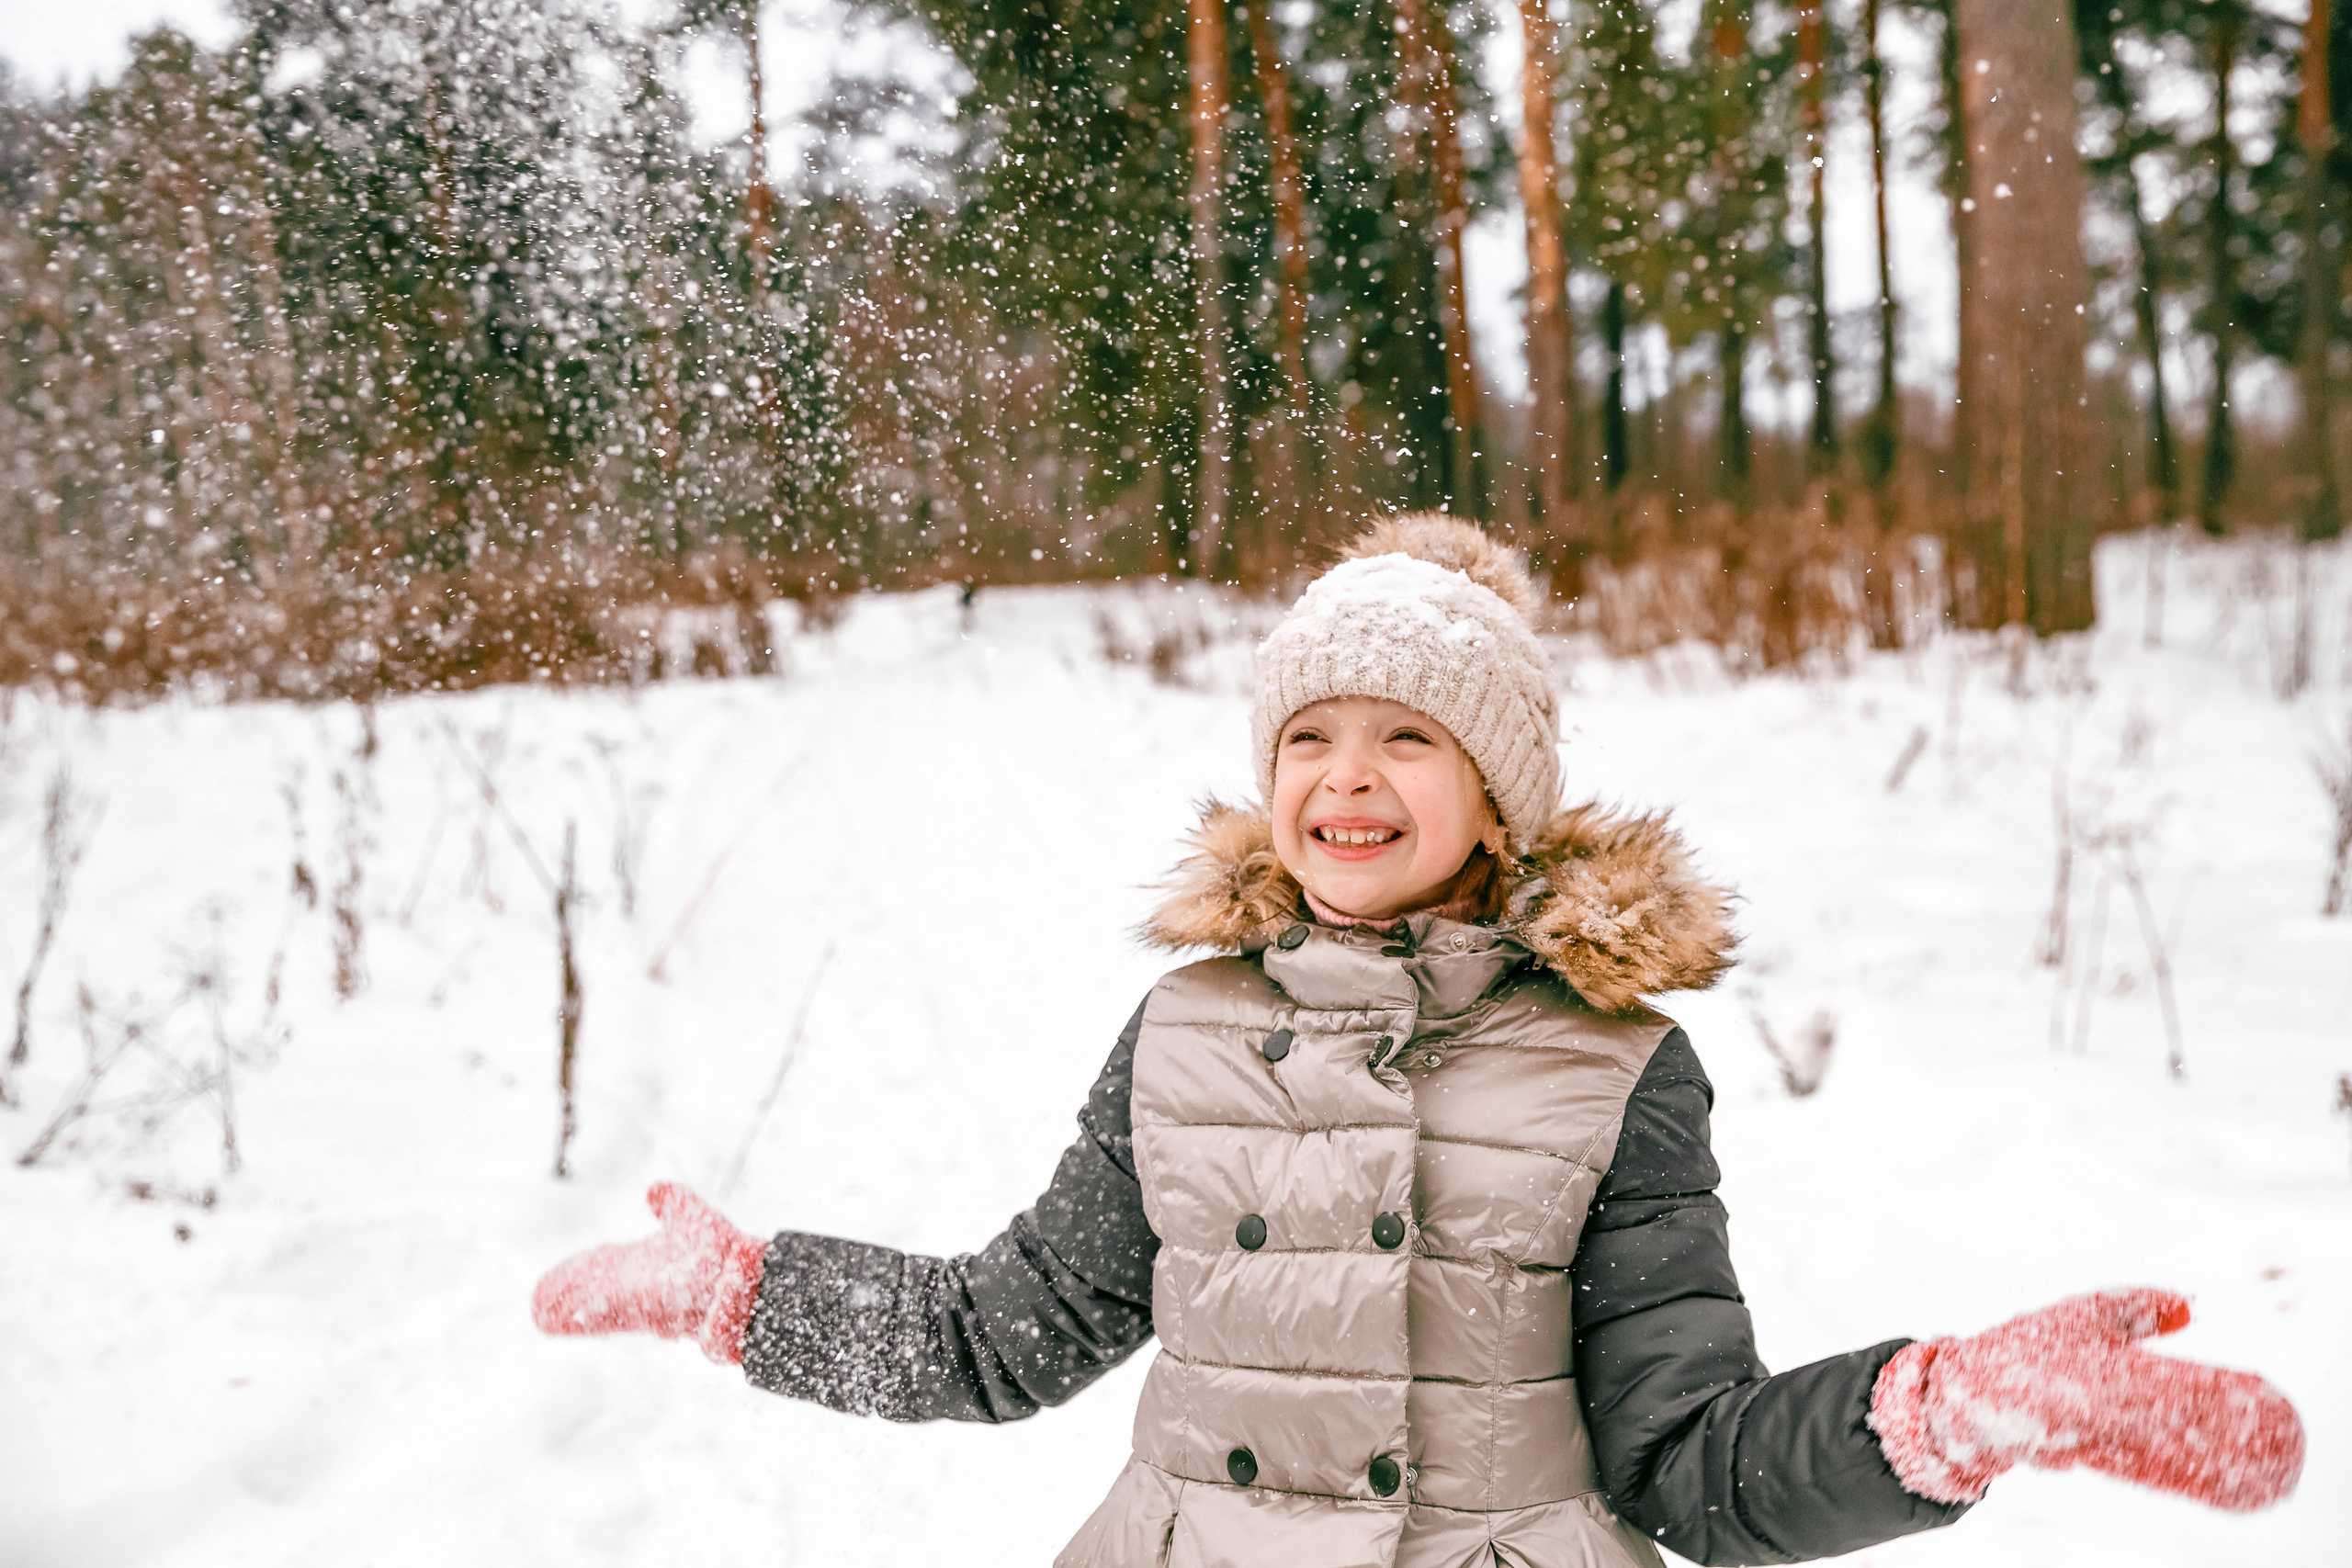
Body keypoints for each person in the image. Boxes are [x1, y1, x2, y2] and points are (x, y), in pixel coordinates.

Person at [531, 516, 2304, 1566]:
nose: (1347, 779)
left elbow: (1684, 1459)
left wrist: (1941, 1412)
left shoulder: (1611, 1069)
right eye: (1311, 737)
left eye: (1407, 739)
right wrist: (752, 1298)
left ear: (1498, 791)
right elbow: (1009, 1335)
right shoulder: (1183, 1031)